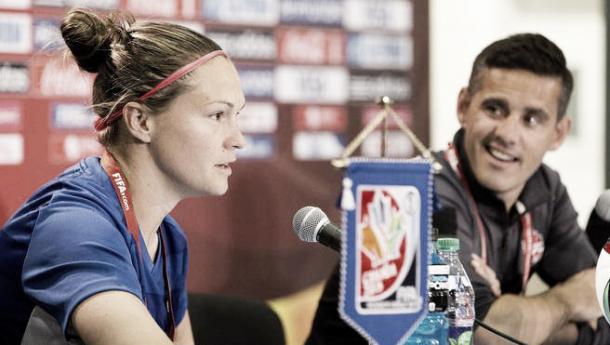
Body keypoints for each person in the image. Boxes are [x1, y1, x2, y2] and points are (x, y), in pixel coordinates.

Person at [306, 33, 608, 345]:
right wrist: (567, 302)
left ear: (558, 133)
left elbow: (602, 311)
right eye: (494, 109)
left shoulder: (546, 188)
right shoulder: (419, 194)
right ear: (464, 106)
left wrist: (535, 321)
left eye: (531, 119)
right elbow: (480, 335)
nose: (507, 133)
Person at [0, 9, 245, 345]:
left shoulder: (170, 239)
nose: (237, 139)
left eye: (236, 116)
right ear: (140, 121)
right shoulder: (75, 226)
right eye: (217, 114)